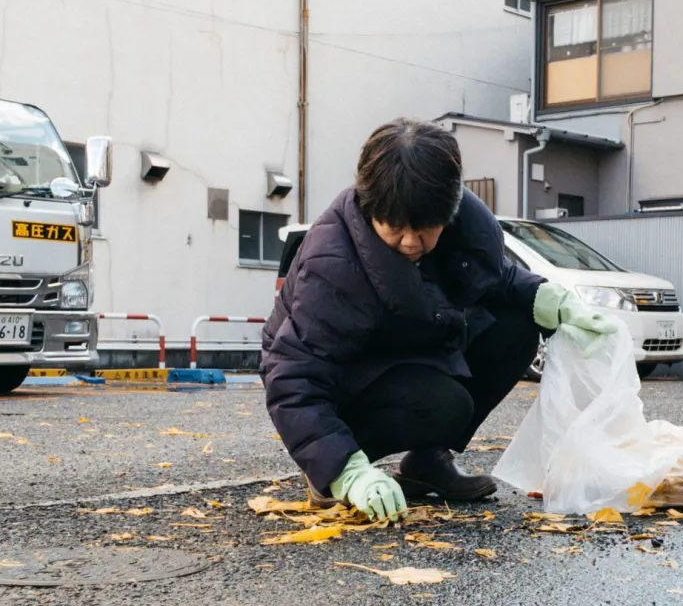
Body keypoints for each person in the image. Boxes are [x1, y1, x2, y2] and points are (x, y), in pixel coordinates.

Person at [260, 118, 617, 522]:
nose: (411, 243)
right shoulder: (331, 264)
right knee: (442, 405)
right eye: (394, 228)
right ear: (369, 206)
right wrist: (343, 470)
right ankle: (332, 468)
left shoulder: (463, 228)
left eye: (426, 229)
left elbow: (494, 278)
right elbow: (292, 375)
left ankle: (427, 462)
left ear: (449, 211)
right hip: (345, 380)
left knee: (518, 324)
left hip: (407, 355)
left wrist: (550, 299)